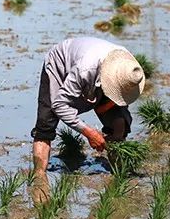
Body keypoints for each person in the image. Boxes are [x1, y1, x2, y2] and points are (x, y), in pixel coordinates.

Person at [31, 37, 146, 201]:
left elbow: (119, 102)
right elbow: (59, 105)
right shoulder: (85, 69)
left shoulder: (129, 69)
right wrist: (89, 133)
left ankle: (118, 173)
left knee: (119, 122)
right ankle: (39, 177)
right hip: (60, 66)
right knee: (45, 126)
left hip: (104, 76)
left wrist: (107, 113)